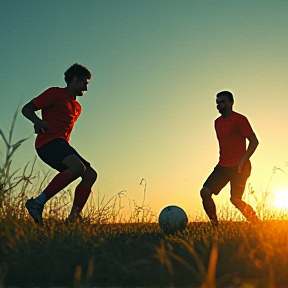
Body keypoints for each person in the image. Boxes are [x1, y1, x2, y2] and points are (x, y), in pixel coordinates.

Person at [22, 63, 97, 224]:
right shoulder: (55, 93)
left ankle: (73, 219)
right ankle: (37, 203)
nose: (86, 88)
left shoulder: (77, 107)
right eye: (84, 83)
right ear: (74, 79)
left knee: (90, 175)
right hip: (47, 143)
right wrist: (37, 121)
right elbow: (27, 108)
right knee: (77, 167)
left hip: (62, 144)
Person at [200, 91, 259, 225]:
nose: (218, 105)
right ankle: (215, 225)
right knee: (205, 192)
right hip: (223, 166)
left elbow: (254, 141)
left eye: (221, 101)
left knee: (235, 199)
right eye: (217, 102)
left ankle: (256, 223)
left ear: (230, 103)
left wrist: (243, 160)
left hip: (240, 166)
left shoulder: (240, 119)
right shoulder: (217, 123)